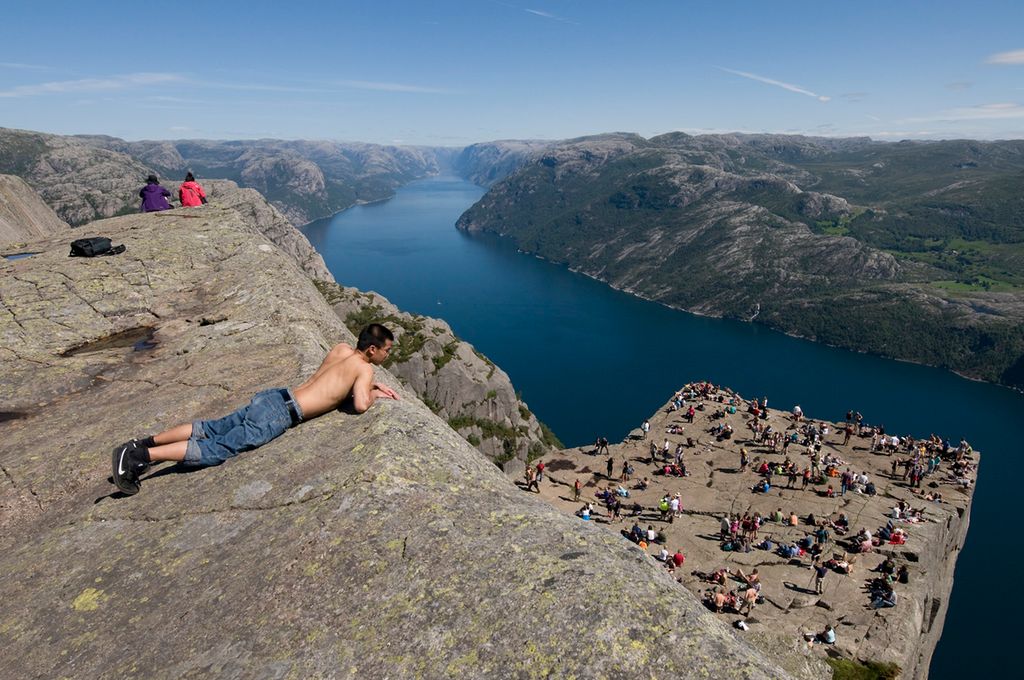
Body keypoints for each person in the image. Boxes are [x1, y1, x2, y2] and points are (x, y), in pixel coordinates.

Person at [110, 324, 399, 495]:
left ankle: (143, 442)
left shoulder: (341, 349)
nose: (387, 355)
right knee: (216, 448)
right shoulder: (364, 368)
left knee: (211, 428)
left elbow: (331, 386)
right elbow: (360, 405)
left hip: (276, 396)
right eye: (386, 350)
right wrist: (373, 391)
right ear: (372, 349)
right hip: (282, 415)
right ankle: (139, 457)